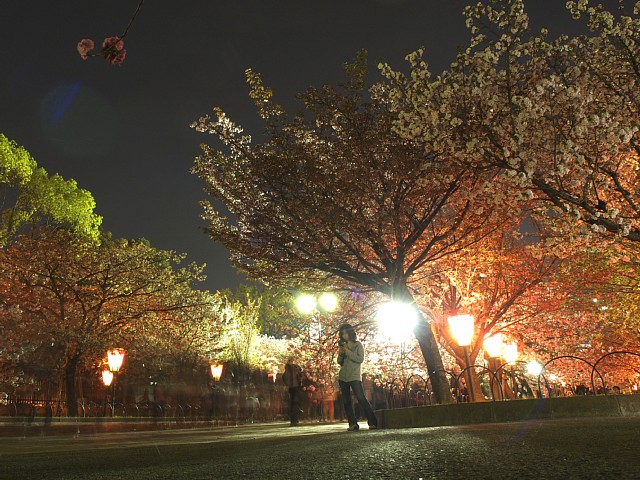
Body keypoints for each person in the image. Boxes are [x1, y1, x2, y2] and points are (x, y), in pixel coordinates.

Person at [337, 323, 378, 431]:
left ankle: (372, 422)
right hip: (343, 376)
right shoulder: (343, 346)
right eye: (342, 334)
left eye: (346, 333)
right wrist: (341, 354)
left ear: (350, 333)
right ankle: (352, 423)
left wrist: (348, 352)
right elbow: (339, 362)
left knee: (361, 398)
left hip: (354, 376)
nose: (344, 336)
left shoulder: (358, 345)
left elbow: (360, 359)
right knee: (346, 401)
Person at [282, 356, 303, 426]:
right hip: (293, 387)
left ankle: (294, 419)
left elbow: (299, 375)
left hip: (294, 387)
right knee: (294, 403)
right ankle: (294, 419)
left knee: (294, 403)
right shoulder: (291, 368)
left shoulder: (293, 368)